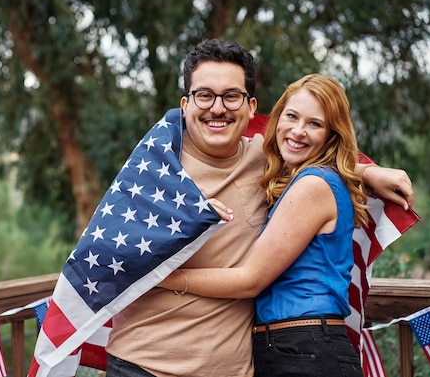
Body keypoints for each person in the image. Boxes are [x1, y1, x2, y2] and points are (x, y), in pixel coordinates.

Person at [105, 40, 413, 377]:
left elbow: (251, 277)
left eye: (231, 96)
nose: (218, 108)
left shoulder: (268, 163)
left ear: (251, 106)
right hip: (144, 366)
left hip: (273, 358)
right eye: (205, 95)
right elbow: (109, 254)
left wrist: (368, 171)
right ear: (185, 103)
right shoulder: (152, 171)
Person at [158, 74, 371, 376]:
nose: (298, 131)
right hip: (292, 346)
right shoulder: (299, 179)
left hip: (306, 347)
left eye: (315, 124)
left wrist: (164, 276)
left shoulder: (313, 184)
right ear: (278, 116)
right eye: (292, 116)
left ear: (331, 135)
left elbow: (250, 279)